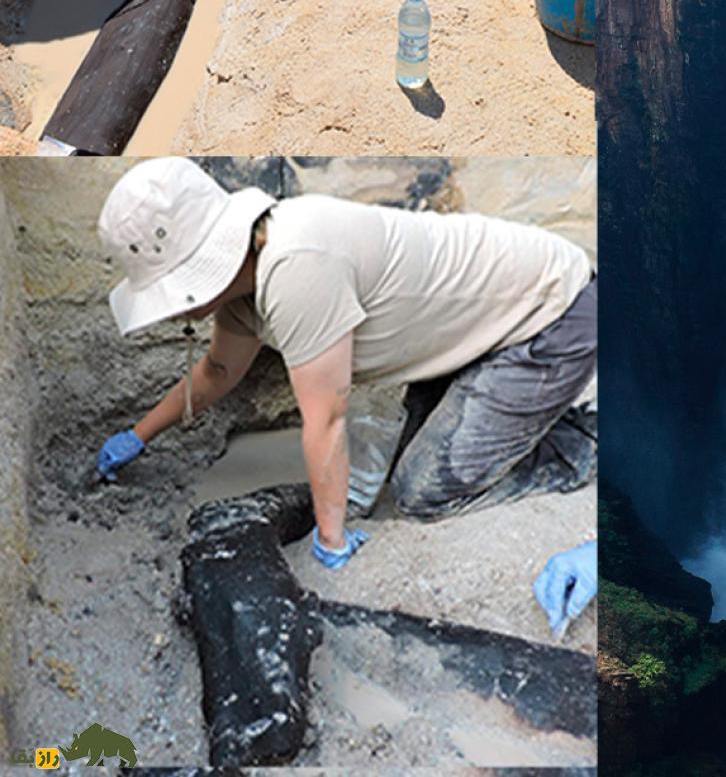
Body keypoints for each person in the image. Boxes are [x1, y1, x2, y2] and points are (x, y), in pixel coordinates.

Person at [93, 158, 597, 570]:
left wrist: (330, 539)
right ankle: (524, 417)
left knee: (423, 494)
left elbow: (327, 420)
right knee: (409, 466)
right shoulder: (248, 275)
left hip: (549, 316)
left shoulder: (296, 268)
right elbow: (217, 374)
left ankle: (591, 444)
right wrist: (139, 435)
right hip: (474, 335)